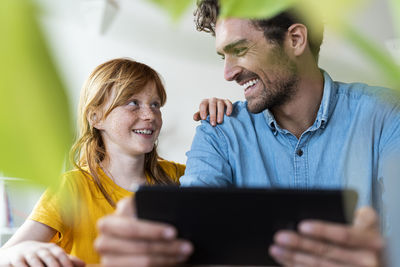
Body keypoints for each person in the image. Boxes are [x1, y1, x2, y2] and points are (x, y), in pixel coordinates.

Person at [95, 1, 400, 266]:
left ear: (295, 39)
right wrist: (152, 245)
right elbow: (190, 229)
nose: (228, 73)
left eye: (239, 50)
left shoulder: (386, 116)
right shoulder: (219, 132)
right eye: (222, 57)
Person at [0, 58, 232, 266]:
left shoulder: (182, 177)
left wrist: (222, 117)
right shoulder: (71, 188)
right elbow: (6, 255)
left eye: (155, 104)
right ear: (96, 117)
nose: (150, 115)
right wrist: (22, 251)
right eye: (133, 103)